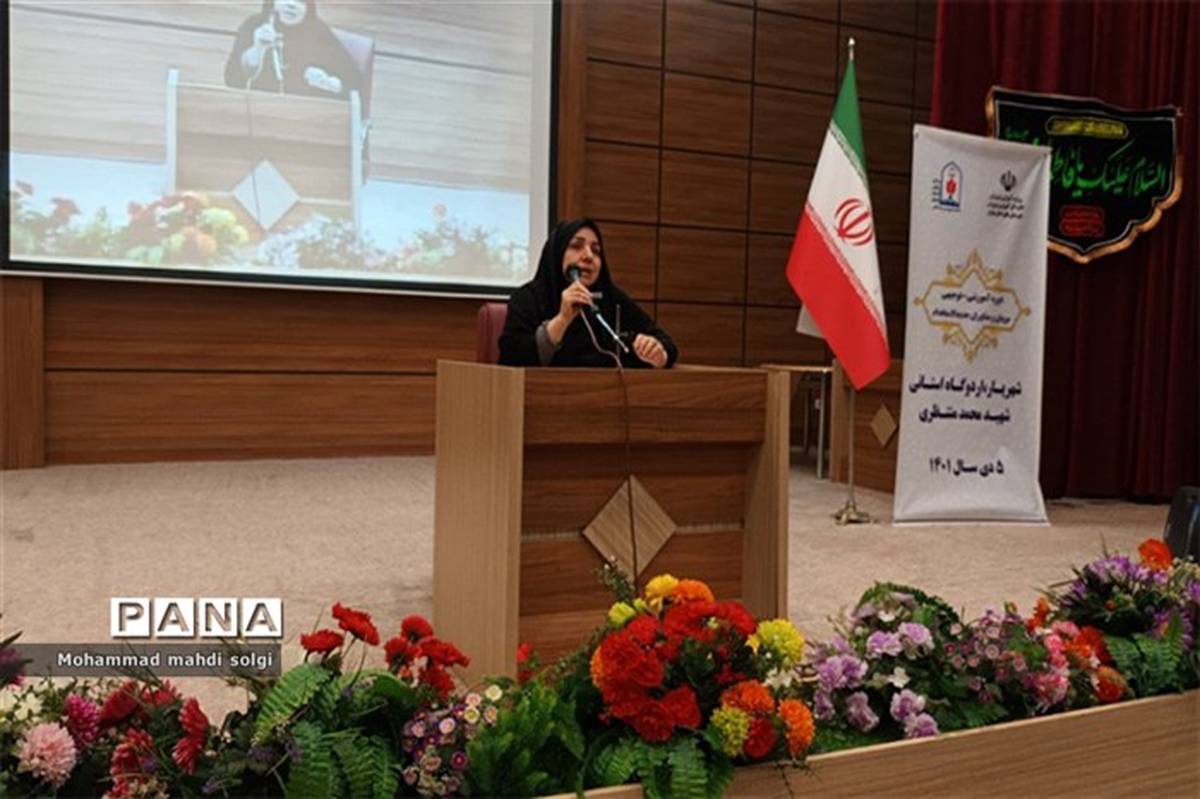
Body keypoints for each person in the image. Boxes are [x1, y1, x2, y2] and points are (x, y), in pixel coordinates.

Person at [499, 218, 678, 368]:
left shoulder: (611, 298)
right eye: (577, 246)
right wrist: (562, 319)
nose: (588, 256)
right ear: (557, 252)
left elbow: (666, 344)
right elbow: (512, 359)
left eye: (596, 250)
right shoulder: (528, 298)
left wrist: (657, 353)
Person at [224, 0, 362, 100]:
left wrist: (329, 83)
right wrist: (257, 50)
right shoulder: (254, 24)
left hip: (306, 120)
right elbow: (231, 79)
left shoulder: (319, 33)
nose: (291, 4)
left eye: (300, 1)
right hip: (258, 113)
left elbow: (355, 84)